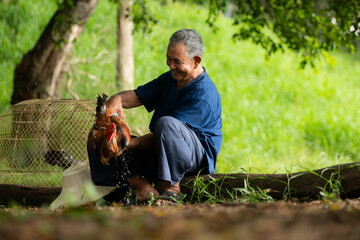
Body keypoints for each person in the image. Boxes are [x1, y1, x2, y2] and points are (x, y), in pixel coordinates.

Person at [88, 29, 222, 205]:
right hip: (161, 150)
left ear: (196, 61)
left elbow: (169, 134)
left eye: (176, 61)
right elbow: (138, 96)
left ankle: (172, 190)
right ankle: (142, 187)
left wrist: (127, 142)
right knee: (99, 136)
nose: (170, 65)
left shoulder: (204, 96)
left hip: (192, 161)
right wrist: (117, 99)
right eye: (168, 58)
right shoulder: (172, 78)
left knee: (165, 124)